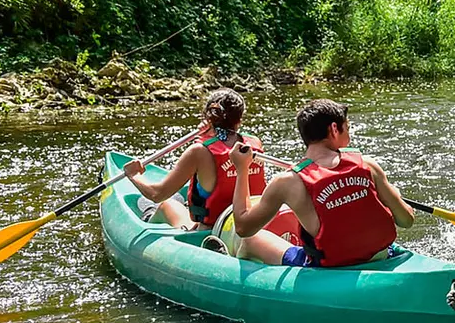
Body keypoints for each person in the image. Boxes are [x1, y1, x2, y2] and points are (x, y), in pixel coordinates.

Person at [227, 98, 413, 267]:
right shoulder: (368, 165)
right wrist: (394, 194)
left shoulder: (287, 182)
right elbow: (406, 220)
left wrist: (241, 169)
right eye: (347, 127)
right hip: (381, 256)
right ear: (334, 129)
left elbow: (244, 228)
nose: (349, 132)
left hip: (330, 267)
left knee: (252, 240)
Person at [124, 89, 270, 232]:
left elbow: (157, 194)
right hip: (253, 227)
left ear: (208, 117)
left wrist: (134, 175)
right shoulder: (254, 143)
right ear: (240, 119)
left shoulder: (199, 151)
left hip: (210, 230)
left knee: (167, 204)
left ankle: (148, 217)